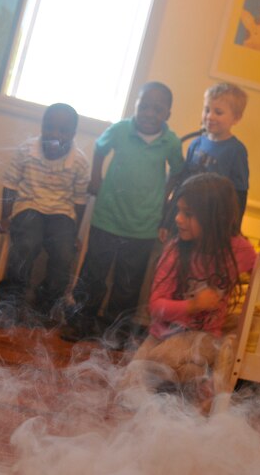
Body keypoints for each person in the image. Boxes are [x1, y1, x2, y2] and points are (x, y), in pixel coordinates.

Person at [122, 173, 260, 406]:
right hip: (162, 332)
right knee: (130, 384)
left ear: (215, 218)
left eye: (188, 214)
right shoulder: (175, 250)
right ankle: (192, 379)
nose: (178, 219)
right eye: (179, 211)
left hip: (202, 335)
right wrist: (193, 305)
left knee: (160, 361)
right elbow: (156, 306)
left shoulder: (238, 249)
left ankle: (192, 378)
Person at [61, 81, 184, 344]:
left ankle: (114, 331)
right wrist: (96, 178)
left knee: (128, 284)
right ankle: (80, 322)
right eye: (144, 106)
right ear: (135, 106)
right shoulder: (120, 130)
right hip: (107, 218)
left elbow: (177, 170)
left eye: (158, 109)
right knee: (92, 275)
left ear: (167, 115)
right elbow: (100, 148)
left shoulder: (171, 142)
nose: (150, 113)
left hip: (143, 225)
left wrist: (165, 198)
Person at [0, 103, 89, 329]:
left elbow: (80, 201)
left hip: (61, 213)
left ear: (73, 134)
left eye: (63, 130)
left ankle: (45, 306)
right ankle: (10, 302)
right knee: (26, 243)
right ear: (42, 126)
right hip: (29, 206)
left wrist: (75, 233)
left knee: (64, 253)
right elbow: (10, 185)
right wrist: (5, 217)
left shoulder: (80, 162)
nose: (56, 134)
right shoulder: (27, 151)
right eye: (50, 127)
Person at [160, 82, 250, 240]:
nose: (210, 116)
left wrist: (234, 230)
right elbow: (181, 185)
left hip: (210, 222)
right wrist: (167, 222)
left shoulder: (236, 151)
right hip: (184, 218)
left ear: (236, 118)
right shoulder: (196, 143)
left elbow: (239, 194)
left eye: (218, 112)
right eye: (207, 110)